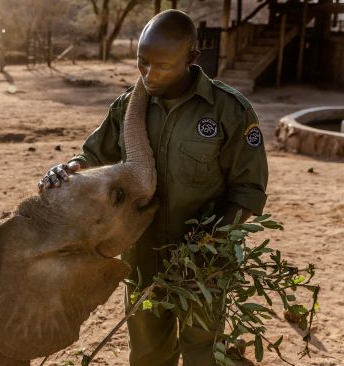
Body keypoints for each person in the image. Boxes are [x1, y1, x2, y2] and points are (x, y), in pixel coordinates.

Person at [38, 9, 268, 366]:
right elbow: (94, 155)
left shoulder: (229, 111)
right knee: (147, 355)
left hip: (203, 266)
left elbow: (248, 191)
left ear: (192, 58)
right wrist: (68, 170)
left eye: (161, 66)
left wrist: (208, 247)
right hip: (143, 260)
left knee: (202, 352)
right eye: (142, 63)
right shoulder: (130, 106)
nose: (149, 75)